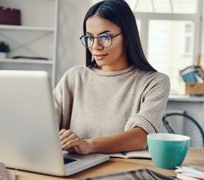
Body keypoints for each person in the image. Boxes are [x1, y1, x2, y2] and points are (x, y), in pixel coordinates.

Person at [53, 0, 170, 155]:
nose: (95, 46)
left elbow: (141, 136)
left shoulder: (154, 82)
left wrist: (89, 145)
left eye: (105, 37)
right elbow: (46, 123)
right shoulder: (73, 78)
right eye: (89, 37)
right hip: (74, 170)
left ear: (127, 36)